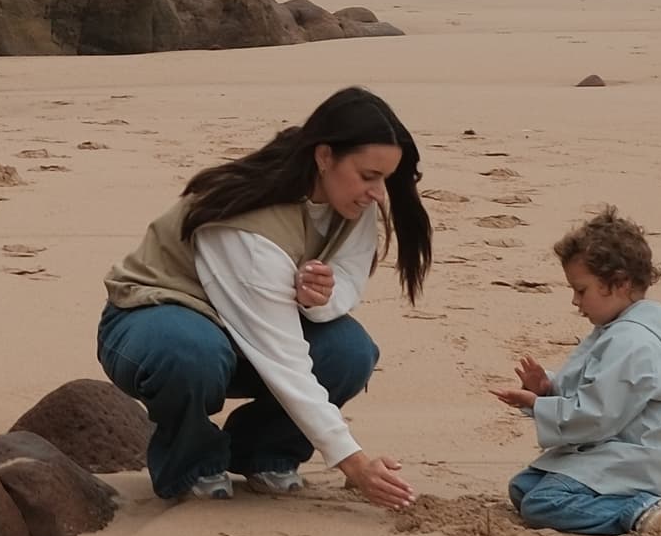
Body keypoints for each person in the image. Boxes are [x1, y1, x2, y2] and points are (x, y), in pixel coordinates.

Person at [97, 85, 428, 510]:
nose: (378, 193)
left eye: (385, 178)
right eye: (368, 176)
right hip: (150, 323)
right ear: (324, 157)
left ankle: (261, 452)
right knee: (191, 352)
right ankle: (191, 462)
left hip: (245, 333)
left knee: (351, 351)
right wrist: (354, 463)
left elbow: (346, 278)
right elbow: (283, 358)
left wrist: (318, 297)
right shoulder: (248, 228)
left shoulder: (352, 206)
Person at [489, 210, 661, 534]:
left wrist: (536, 405)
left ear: (619, 283)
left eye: (581, 290)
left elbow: (596, 415)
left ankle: (639, 510)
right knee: (523, 488)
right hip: (612, 446)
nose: (575, 301)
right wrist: (547, 389)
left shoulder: (633, 343)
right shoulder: (618, 327)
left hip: (639, 458)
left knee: (541, 504)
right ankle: (625, 504)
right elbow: (594, 391)